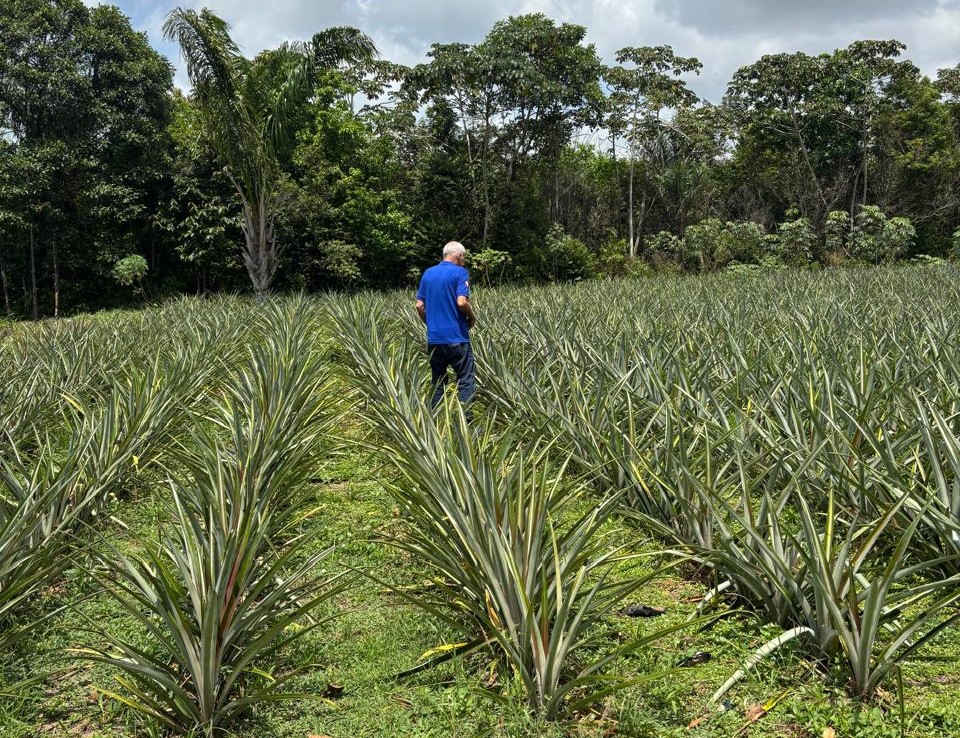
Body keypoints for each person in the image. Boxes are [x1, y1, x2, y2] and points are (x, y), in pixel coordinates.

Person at [415, 241, 477, 412]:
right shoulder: (460, 272)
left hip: (434, 338)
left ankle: (436, 420)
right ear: (459, 255)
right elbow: (461, 301)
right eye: (464, 257)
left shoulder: (428, 273)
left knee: (438, 380)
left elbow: (419, 305)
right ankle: (467, 424)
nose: (464, 261)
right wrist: (472, 317)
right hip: (457, 338)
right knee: (465, 379)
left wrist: (430, 323)